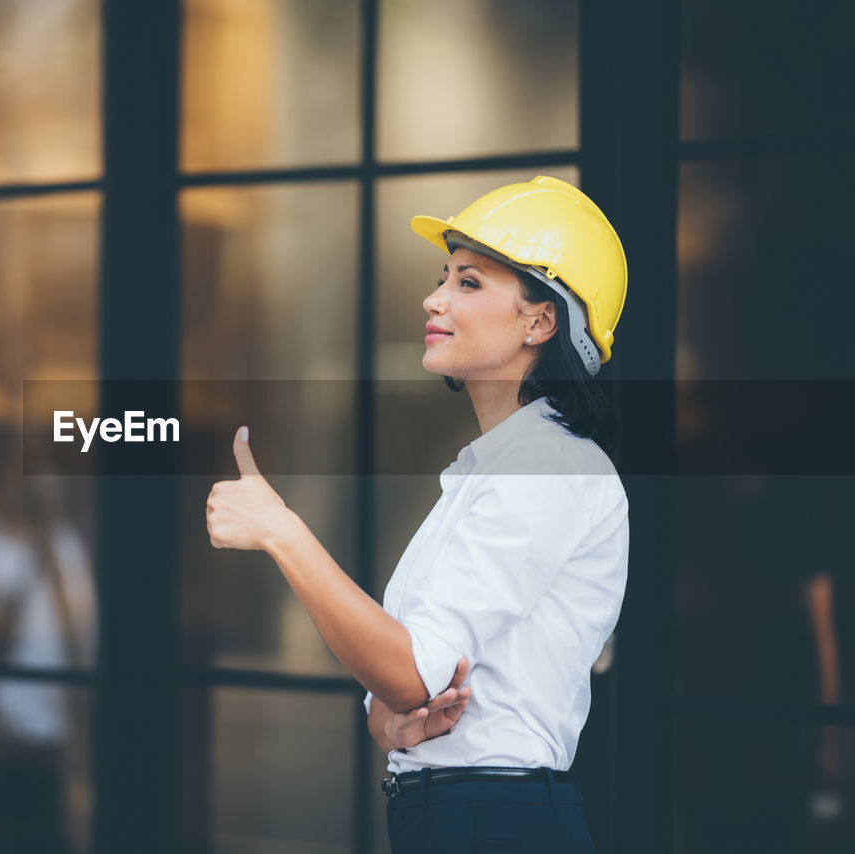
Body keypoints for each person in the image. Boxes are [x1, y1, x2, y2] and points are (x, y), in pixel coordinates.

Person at [206, 175, 629, 852]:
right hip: (458, 814)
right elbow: (401, 696)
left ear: (540, 320)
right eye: (444, 278)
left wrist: (281, 531)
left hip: (497, 819)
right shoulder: (487, 472)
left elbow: (408, 671)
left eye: (469, 282)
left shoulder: (549, 469)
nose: (434, 298)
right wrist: (394, 726)